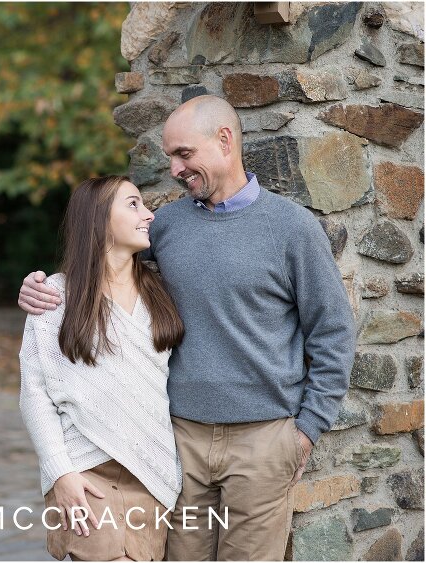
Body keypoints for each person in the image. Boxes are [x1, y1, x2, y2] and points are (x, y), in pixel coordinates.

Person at [18, 95, 356, 561]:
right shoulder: (165, 225)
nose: (174, 169)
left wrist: (307, 429)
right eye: (170, 157)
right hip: (181, 443)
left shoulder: (292, 228)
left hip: (263, 440)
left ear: (224, 141)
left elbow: (334, 332)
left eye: (183, 154)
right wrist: (38, 287)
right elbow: (101, 258)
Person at [19, 175, 186, 561]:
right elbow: (36, 394)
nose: (148, 214)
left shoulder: (160, 291)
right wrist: (61, 473)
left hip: (151, 474)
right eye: (133, 204)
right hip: (84, 474)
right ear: (98, 219)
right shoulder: (55, 296)